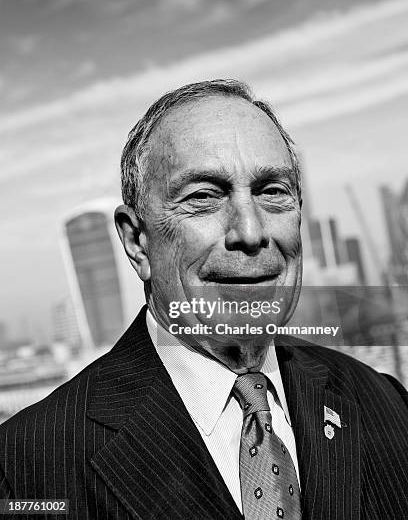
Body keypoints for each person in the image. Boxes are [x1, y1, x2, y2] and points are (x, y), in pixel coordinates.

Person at [0, 79, 407, 520]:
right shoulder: (26, 469)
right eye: (204, 197)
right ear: (138, 243)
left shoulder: (384, 404)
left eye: (273, 191)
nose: (251, 233)